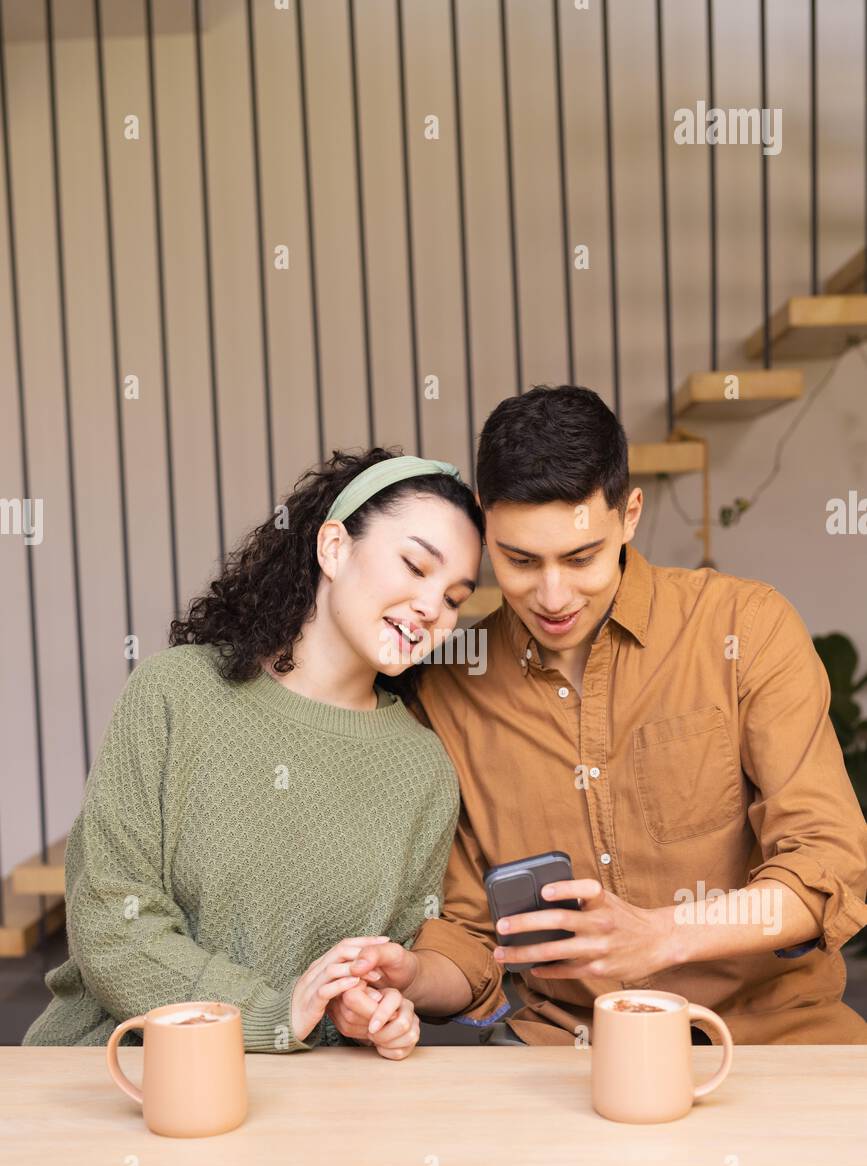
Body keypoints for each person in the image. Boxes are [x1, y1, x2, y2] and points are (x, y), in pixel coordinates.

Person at [328, 386, 867, 1047]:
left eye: (580, 557)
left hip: (774, 1037)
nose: (551, 596)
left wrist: (661, 935)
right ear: (487, 529)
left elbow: (825, 861)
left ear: (629, 514)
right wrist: (404, 977)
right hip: (569, 1050)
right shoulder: (450, 688)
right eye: (520, 561)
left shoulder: (743, 628)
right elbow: (469, 937)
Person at [23, 448, 487, 1058]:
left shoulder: (422, 770)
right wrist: (271, 1013)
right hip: (117, 1074)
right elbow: (113, 923)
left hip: (303, 1100)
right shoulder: (175, 694)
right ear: (333, 548)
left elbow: (371, 970)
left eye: (456, 597)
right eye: (414, 566)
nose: (433, 609)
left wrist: (368, 1009)